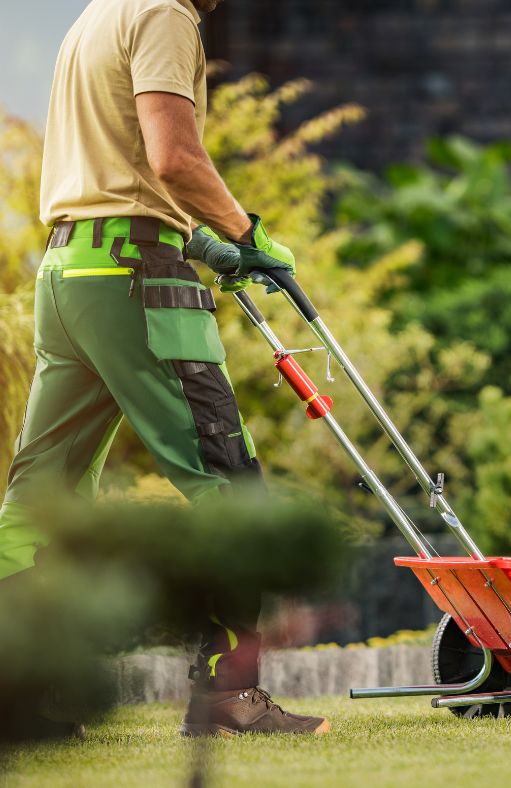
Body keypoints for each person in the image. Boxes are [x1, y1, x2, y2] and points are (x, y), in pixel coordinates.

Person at [0, 0, 330, 736]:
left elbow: (112, 164)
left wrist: (204, 244)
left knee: (40, 497)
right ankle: (227, 697)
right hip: (135, 278)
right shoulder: (164, 14)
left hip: (69, 270)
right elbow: (172, 157)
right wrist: (245, 232)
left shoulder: (95, 16)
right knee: (227, 484)